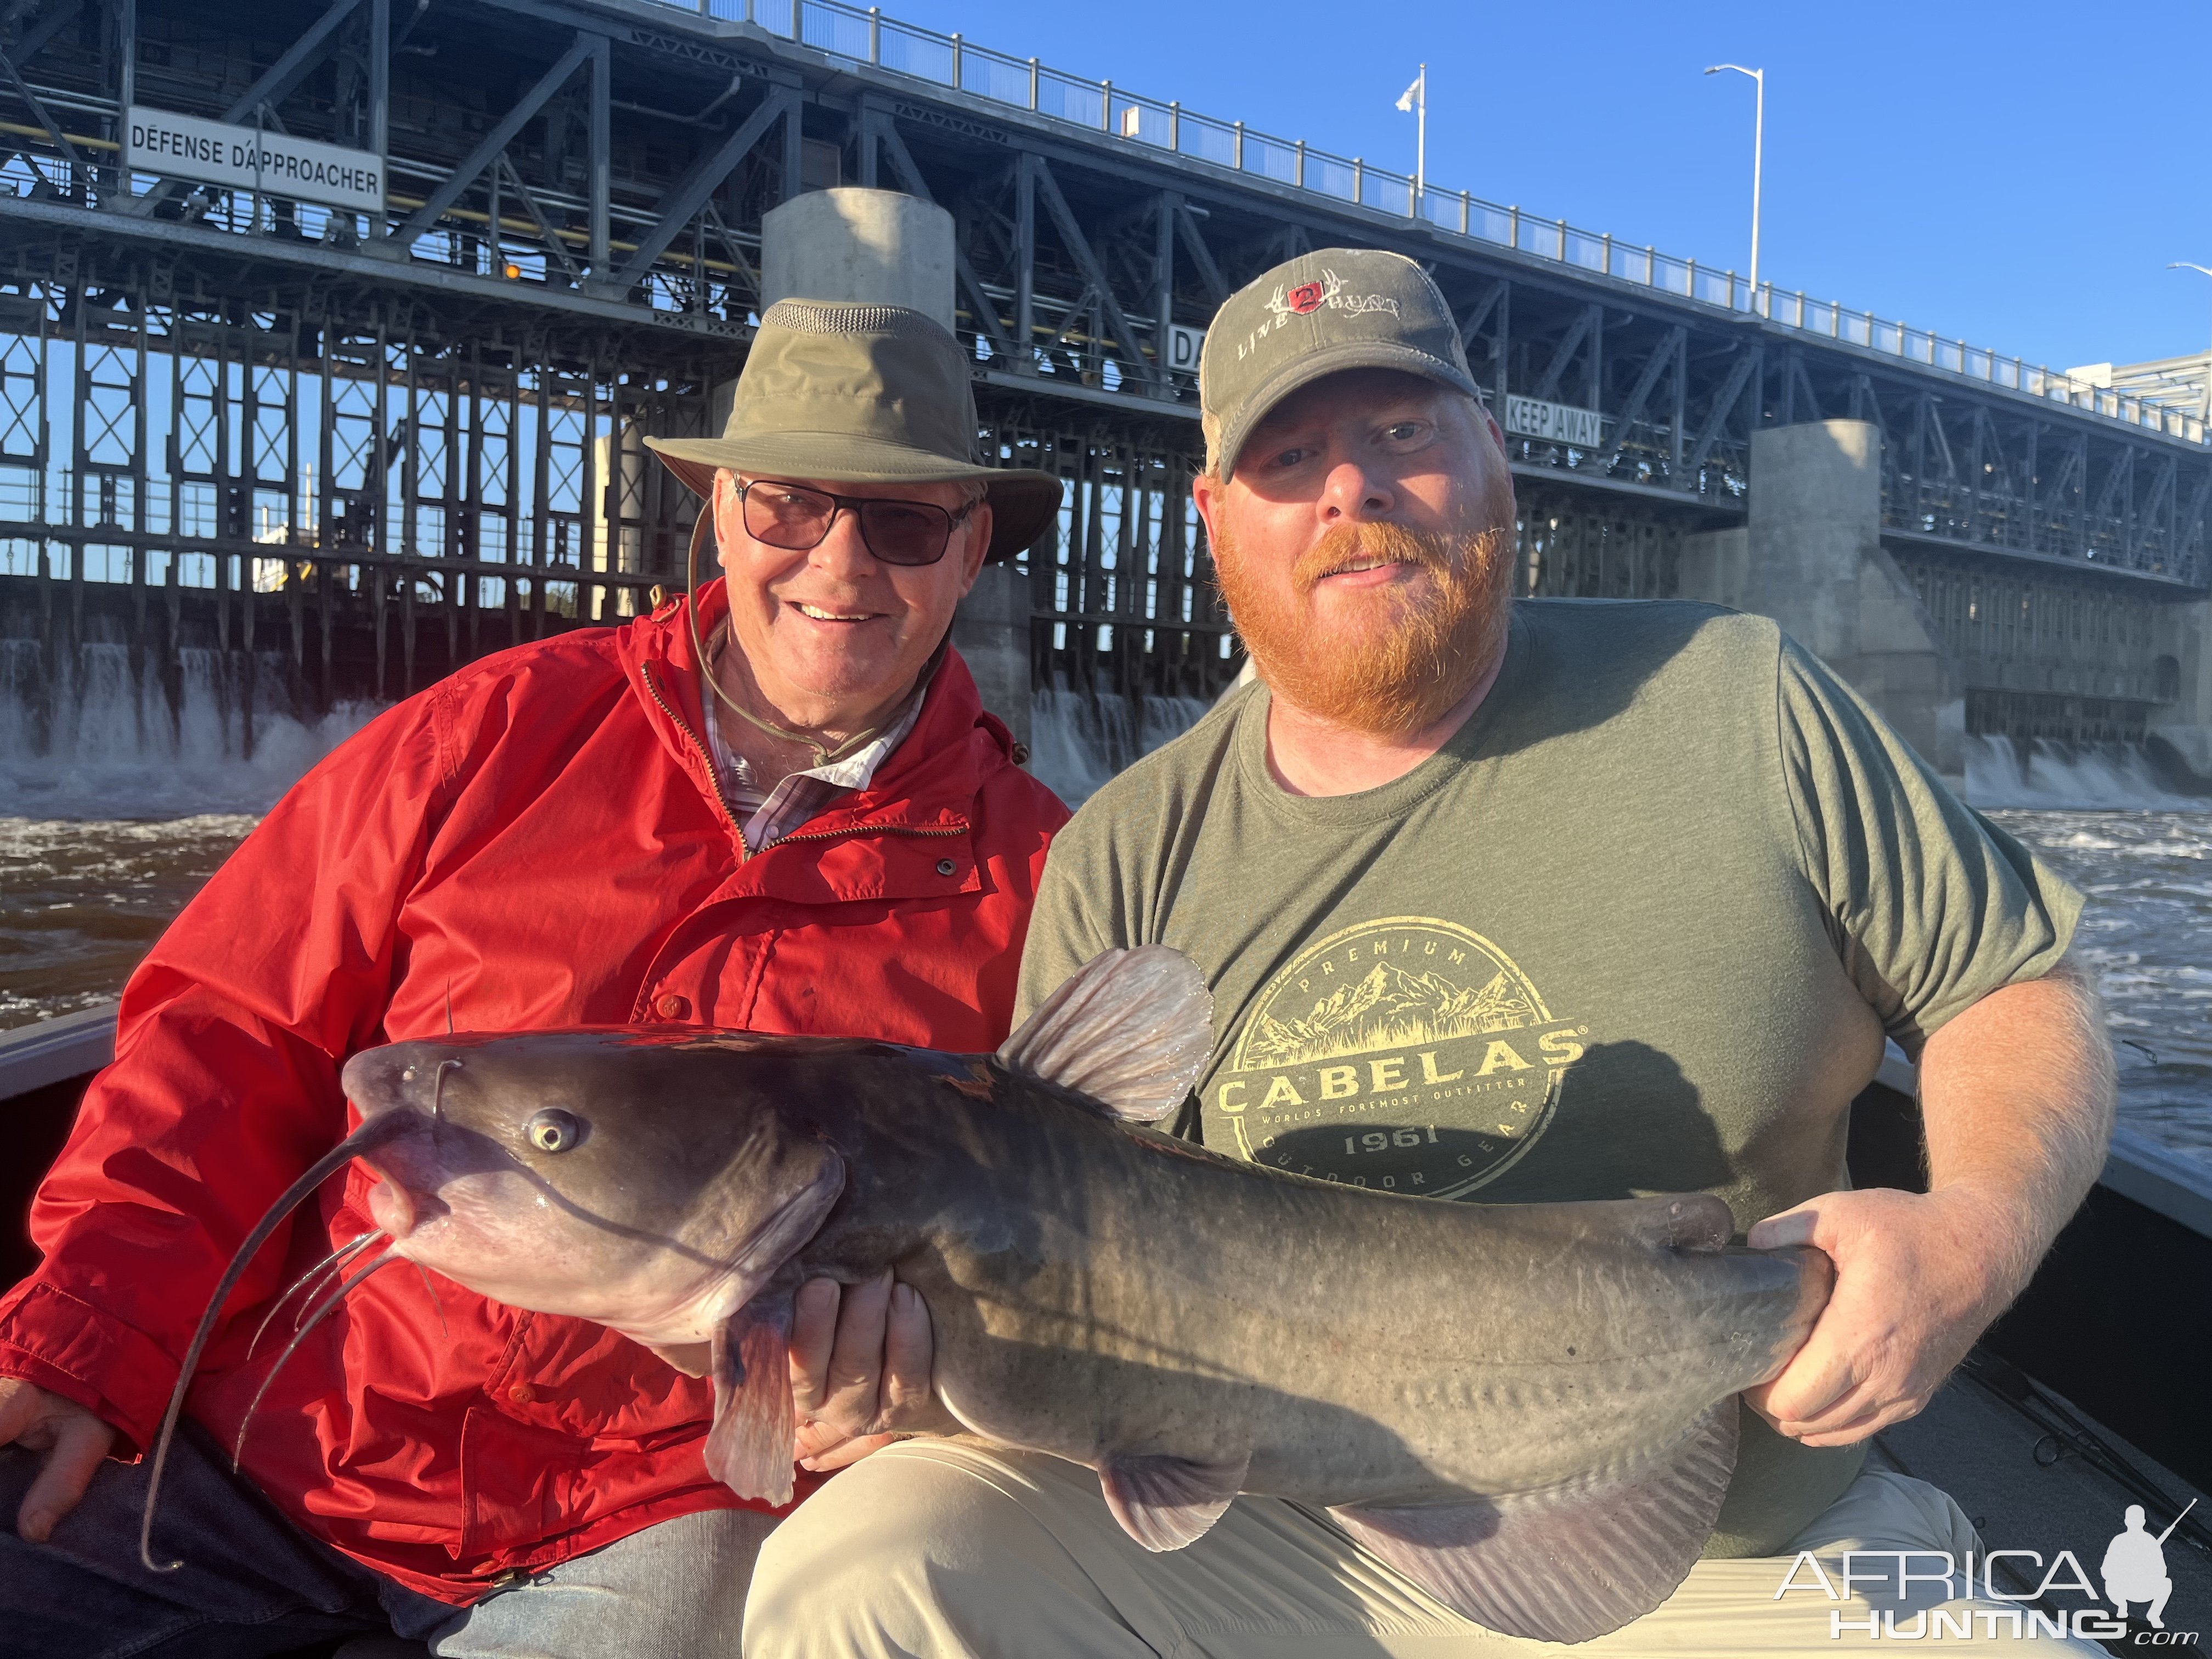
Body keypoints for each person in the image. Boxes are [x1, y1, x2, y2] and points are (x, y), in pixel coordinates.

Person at [740, 251, 2119, 1655]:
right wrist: (892, 1388)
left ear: (1493, 458)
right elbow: (1066, 1279)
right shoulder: (1125, 849)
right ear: (1215, 517)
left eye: (1401, 433)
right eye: (1289, 458)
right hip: (1289, 1552)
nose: (1353, 491)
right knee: (863, 1570)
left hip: (1755, 1547)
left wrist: (1969, 1240)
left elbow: (2014, 984)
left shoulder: (1739, 697)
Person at [0, 298, 1065, 1658]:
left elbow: (1043, 1256)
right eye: (790, 505)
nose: (840, 562)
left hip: (664, 1512)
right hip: (274, 1439)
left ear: (971, 547)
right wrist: (91, 1338)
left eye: (904, 523)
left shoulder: (1039, 879)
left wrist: (903, 1412)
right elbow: (231, 1032)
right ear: (723, 507)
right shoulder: (488, 732)